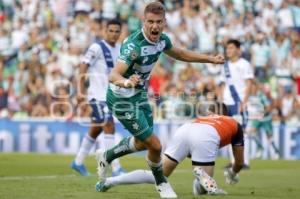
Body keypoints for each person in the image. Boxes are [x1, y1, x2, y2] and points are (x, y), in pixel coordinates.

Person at [95, 2, 225, 198]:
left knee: (141, 143)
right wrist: (127, 82)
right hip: (121, 97)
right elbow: (113, 75)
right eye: (150, 22)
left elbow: (180, 53)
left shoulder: (162, 40)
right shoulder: (134, 45)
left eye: (158, 22)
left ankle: (107, 156)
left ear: (164, 22)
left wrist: (209, 59)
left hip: (139, 94)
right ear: (143, 21)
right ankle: (162, 183)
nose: (154, 26)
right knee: (155, 145)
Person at [95, 103, 244, 196]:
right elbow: (239, 162)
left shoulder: (206, 117)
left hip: (186, 129)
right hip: (206, 136)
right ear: (227, 114)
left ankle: (108, 182)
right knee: (203, 189)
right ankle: (201, 177)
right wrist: (232, 174)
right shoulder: (234, 123)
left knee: (157, 176)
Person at [70, 19, 126, 176]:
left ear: (120, 33)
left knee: (95, 129)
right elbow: (83, 64)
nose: (114, 34)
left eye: (117, 31)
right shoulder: (97, 47)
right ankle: (115, 167)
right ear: (105, 31)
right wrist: (80, 90)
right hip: (97, 96)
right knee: (109, 125)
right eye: (111, 31)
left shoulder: (120, 49)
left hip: (110, 97)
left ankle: (78, 162)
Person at [219, 39, 254, 169]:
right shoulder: (225, 66)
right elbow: (222, 84)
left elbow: (249, 83)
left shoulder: (245, 64)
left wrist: (245, 101)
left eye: (231, 48)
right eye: (227, 48)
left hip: (239, 102)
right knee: (230, 133)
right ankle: (234, 161)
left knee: (242, 132)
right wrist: (222, 100)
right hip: (227, 103)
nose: (228, 50)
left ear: (238, 50)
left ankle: (244, 161)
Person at [246, 81, 279, 159]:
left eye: (254, 87)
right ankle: (260, 147)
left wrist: (263, 113)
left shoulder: (261, 96)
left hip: (265, 118)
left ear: (256, 88)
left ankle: (275, 151)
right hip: (256, 118)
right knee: (251, 133)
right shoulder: (249, 96)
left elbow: (268, 107)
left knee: (269, 136)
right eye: (251, 87)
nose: (252, 89)